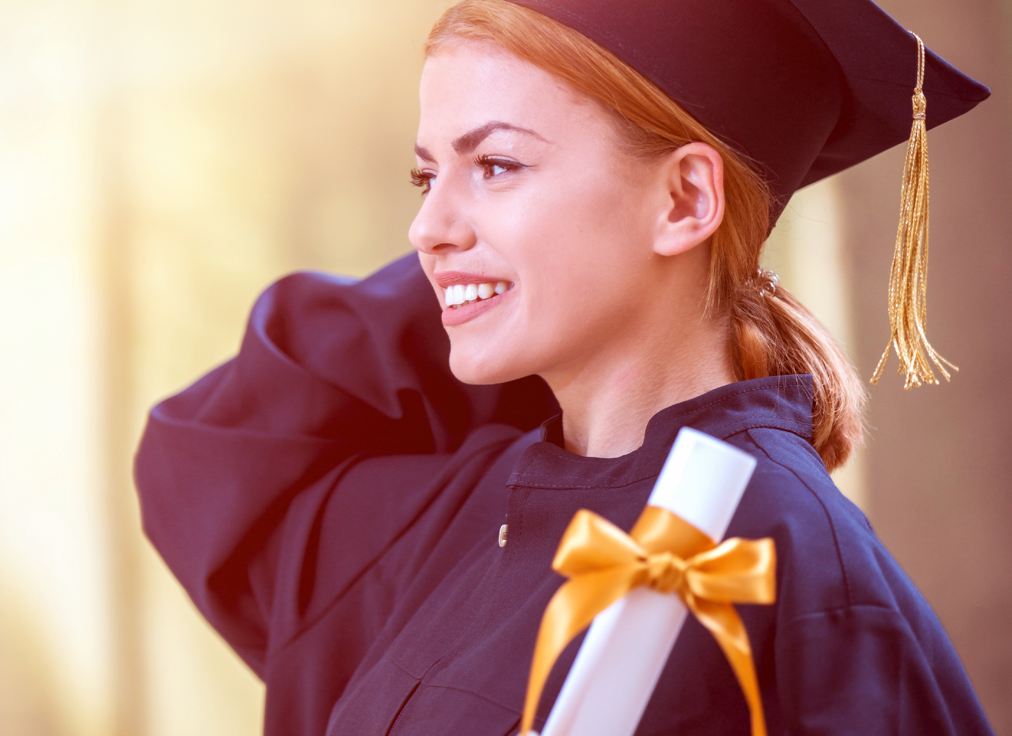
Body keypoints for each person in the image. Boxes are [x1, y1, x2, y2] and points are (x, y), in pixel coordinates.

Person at [134, 0, 995, 733]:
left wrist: (505, 263)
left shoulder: (787, 568)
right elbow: (219, 455)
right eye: (425, 176)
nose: (423, 227)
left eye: (498, 163)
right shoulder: (469, 510)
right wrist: (495, 257)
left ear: (686, 198)